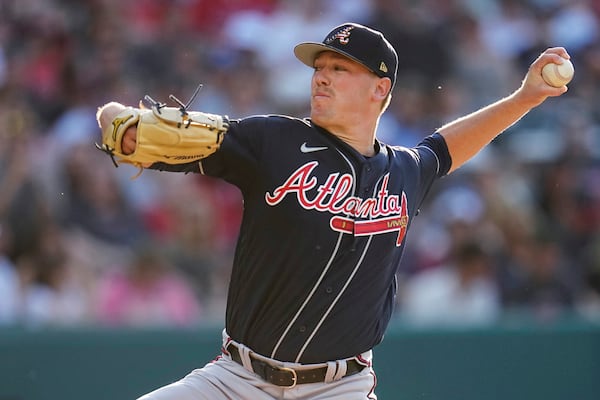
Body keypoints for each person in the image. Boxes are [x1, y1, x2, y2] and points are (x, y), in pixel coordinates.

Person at [97, 22, 570, 400]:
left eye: (340, 68)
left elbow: (445, 149)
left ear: (380, 89)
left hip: (339, 388)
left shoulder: (405, 172)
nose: (321, 75)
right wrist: (116, 120)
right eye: (318, 65)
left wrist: (525, 97)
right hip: (235, 381)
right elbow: (123, 125)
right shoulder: (273, 142)